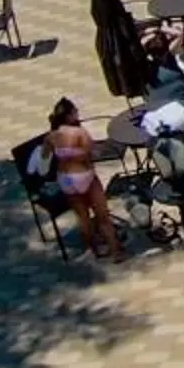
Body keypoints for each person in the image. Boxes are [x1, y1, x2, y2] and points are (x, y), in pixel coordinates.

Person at [41, 99, 124, 262]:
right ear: (70, 116)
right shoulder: (80, 133)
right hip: (85, 175)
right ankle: (116, 251)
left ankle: (93, 250)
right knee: (102, 216)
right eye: (75, 111)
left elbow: (43, 164)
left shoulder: (50, 137)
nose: (78, 113)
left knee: (82, 216)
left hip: (66, 179)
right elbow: (92, 154)